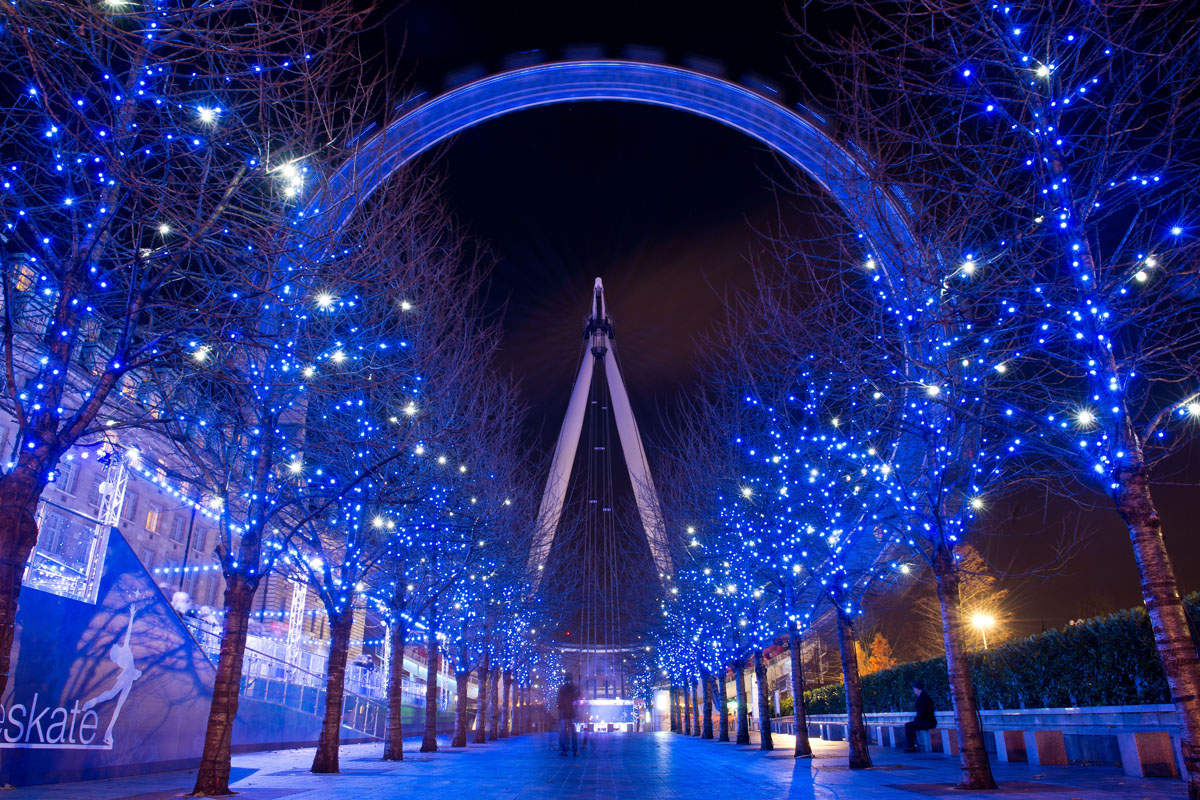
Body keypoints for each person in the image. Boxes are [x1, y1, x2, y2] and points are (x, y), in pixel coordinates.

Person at [903, 679, 937, 752]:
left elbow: (922, 712)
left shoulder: (923, 698)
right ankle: (912, 745)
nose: (913, 690)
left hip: (928, 722)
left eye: (914, 688)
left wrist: (916, 720)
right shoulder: (923, 696)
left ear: (917, 688)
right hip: (927, 720)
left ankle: (911, 746)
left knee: (908, 726)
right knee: (910, 725)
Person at [557, 673, 581, 756]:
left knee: (564, 732)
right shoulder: (575, 688)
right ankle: (575, 750)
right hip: (572, 712)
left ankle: (565, 750)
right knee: (573, 732)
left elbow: (559, 700)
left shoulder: (562, 688)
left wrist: (560, 710)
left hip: (564, 712)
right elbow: (578, 697)